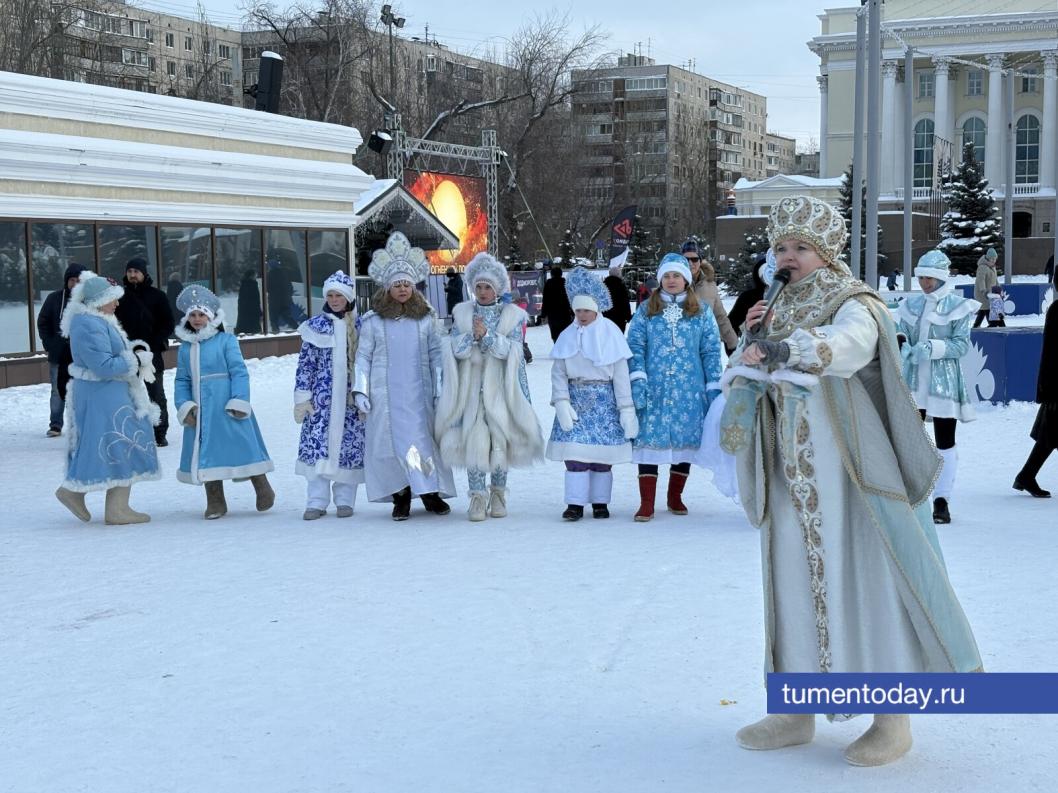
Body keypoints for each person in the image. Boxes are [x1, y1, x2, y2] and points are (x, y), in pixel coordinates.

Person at [721, 195, 981, 766]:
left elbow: (854, 345)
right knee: (789, 577)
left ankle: (894, 719)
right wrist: (750, 340)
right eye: (782, 246)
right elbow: (744, 371)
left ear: (827, 252)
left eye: (801, 248)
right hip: (789, 467)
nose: (788, 256)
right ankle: (794, 709)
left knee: (870, 575)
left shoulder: (852, 300)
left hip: (852, 472)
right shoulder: (773, 304)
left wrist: (794, 347)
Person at [436, 252, 545, 521]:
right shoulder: (462, 313)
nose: (483, 292)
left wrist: (488, 338)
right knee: (474, 439)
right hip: (471, 390)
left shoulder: (513, 316)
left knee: (500, 439)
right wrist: (469, 340)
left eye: (488, 287)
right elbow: (451, 350)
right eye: (479, 287)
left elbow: (516, 352)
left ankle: (498, 492)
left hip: (501, 388)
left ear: (498, 288)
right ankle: (476, 496)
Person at [354, 234, 455, 520]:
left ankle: (430, 492)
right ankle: (401, 495)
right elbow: (363, 357)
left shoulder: (425, 318)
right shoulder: (374, 321)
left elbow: (437, 354)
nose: (402, 289)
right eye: (397, 285)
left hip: (418, 395)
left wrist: (440, 388)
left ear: (414, 287)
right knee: (390, 445)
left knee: (421, 442)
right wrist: (360, 390)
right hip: (386, 397)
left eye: (406, 285)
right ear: (388, 288)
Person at [54, 272, 161, 525]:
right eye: (112, 298)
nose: (117, 303)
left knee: (118, 445)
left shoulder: (99, 320)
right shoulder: (89, 323)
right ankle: (84, 496)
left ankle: (111, 504)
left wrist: (132, 354)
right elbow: (103, 365)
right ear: (98, 300)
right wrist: (133, 360)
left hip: (110, 393)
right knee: (117, 443)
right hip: (104, 394)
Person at [626, 253, 723, 521]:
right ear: (660, 280)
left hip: (689, 389)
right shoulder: (646, 310)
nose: (671, 280)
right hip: (655, 388)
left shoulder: (701, 311)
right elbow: (635, 346)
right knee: (649, 440)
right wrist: (637, 378)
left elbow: (711, 350)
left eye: (676, 276)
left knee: (684, 441)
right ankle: (647, 502)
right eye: (666, 276)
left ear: (686, 280)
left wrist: (713, 385)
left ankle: (675, 495)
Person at [173, 285, 275, 519]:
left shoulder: (226, 341)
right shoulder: (186, 347)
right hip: (201, 409)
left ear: (211, 317)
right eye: (193, 315)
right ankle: (216, 500)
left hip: (225, 404)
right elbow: (181, 379)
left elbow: (239, 371)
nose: (197, 319)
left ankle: (262, 487)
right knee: (207, 451)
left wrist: (239, 400)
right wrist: (184, 405)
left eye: (202, 314)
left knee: (242, 444)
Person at [546, 267, 637, 520]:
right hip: (576, 401)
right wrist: (561, 401)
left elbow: (620, 375)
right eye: (578, 310)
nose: (582, 315)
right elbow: (559, 372)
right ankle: (575, 503)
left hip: (604, 402)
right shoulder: (567, 335)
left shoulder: (611, 334)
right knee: (575, 455)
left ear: (596, 309)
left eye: (586, 310)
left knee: (601, 457)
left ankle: (600, 502)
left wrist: (626, 409)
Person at [896, 250, 978, 524]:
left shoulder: (958, 306)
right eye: (921, 278)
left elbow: (961, 345)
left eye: (930, 278)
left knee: (945, 441)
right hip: (913, 380)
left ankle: (941, 500)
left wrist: (931, 348)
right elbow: (902, 335)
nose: (925, 283)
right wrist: (902, 344)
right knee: (910, 439)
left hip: (943, 381)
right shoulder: (911, 305)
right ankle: (913, 494)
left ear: (942, 278)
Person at [294, 271, 368, 520]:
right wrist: (302, 397)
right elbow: (305, 365)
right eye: (331, 295)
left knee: (348, 448)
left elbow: (369, 362)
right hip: (321, 403)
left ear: (348, 298)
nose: (335, 300)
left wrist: (366, 393)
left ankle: (345, 499)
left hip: (350, 401)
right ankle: (316, 500)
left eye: (339, 295)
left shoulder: (360, 326)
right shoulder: (315, 327)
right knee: (318, 450)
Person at [115, 257, 176, 447]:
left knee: (156, 394)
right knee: (128, 395)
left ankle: (160, 432)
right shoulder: (119, 297)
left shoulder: (157, 296)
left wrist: (152, 344)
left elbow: (168, 323)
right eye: (130, 271)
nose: (133, 275)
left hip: (152, 355)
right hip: (127, 354)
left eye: (136, 271)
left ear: (144, 274)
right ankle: (131, 431)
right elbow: (114, 324)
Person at [1013, 287, 1058, 498]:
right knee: (1050, 434)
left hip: (1054, 386)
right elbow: (1051, 352)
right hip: (1057, 386)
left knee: (1049, 436)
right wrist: (1047, 388)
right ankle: (1026, 475)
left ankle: (1026, 475)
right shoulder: (1057, 310)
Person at [36, 262, 86, 437]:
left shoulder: (89, 300)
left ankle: (78, 424)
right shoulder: (54, 299)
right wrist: (50, 344)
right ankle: (56, 424)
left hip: (81, 355)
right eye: (72, 280)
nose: (75, 283)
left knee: (80, 389)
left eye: (79, 280)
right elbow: (42, 322)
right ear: (67, 281)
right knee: (57, 390)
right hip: (58, 353)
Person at [683, 240, 738, 353]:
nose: (690, 263)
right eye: (686, 259)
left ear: (700, 260)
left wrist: (733, 343)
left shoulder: (710, 284)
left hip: (706, 345)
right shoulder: (673, 284)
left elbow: (720, 316)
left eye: (694, 259)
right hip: (681, 347)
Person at [727, 252, 769, 339]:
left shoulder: (786, 295)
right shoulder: (747, 297)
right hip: (750, 345)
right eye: (764, 276)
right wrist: (733, 349)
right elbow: (732, 324)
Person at [539, 264, 574, 342]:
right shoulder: (566, 283)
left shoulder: (549, 283)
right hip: (565, 314)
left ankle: (558, 349)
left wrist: (543, 315)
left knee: (555, 335)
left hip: (553, 314)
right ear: (561, 274)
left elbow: (545, 300)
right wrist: (573, 312)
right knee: (566, 334)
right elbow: (571, 299)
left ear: (551, 274)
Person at [267, 253, 295, 332]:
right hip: (284, 300)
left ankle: (275, 332)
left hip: (274, 300)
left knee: (274, 319)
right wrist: (288, 296)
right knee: (287, 316)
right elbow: (289, 286)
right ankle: (297, 329)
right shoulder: (284, 273)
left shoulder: (270, 275)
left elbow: (268, 288)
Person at [972, 246, 998, 328]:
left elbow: (995, 280)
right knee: (987, 307)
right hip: (982, 293)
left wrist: (998, 288)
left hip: (989, 293)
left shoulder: (992, 268)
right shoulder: (982, 267)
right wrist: (983, 291)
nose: (994, 260)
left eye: (995, 259)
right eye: (992, 259)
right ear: (988, 258)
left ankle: (976, 326)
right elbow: (981, 280)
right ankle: (992, 325)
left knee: (983, 310)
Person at [602, 263, 632, 332]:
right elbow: (625, 302)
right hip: (619, 318)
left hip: (605, 318)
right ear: (618, 274)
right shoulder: (621, 286)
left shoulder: (603, 286)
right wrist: (628, 316)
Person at [234, 268, 263, 335]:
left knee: (244, 326)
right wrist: (259, 312)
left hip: (244, 310)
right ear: (251, 276)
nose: (256, 276)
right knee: (254, 329)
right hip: (252, 311)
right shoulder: (252, 285)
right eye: (255, 275)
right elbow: (255, 300)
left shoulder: (243, 284)